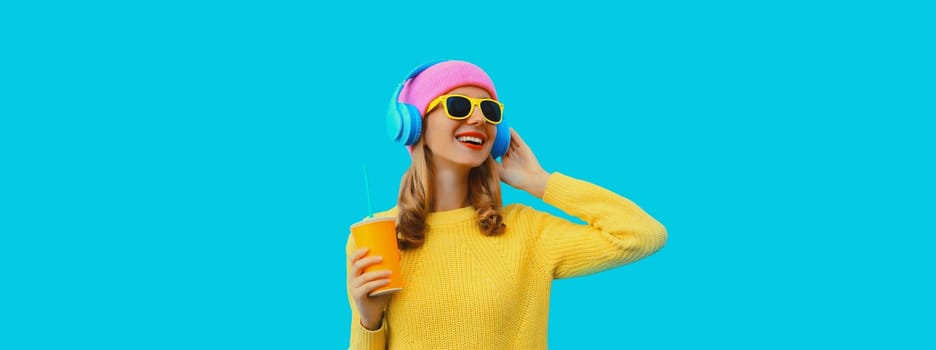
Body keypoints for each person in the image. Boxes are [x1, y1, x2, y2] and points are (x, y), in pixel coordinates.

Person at [346, 60, 667, 349]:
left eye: (490, 110)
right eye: (458, 105)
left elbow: (642, 234)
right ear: (413, 124)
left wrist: (541, 182)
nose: (478, 118)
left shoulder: (526, 230)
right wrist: (369, 321)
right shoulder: (378, 235)